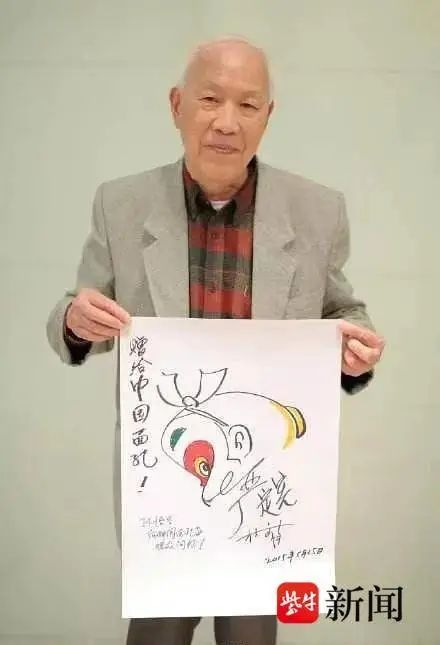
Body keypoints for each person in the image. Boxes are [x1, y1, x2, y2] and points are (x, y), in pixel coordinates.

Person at [46, 36, 385, 645]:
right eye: (210, 99)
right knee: (156, 633)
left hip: (266, 478)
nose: (227, 122)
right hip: (166, 483)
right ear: (177, 105)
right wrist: (75, 321)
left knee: (251, 635)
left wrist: (355, 349)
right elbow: (77, 311)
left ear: (267, 117)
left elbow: (342, 310)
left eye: (248, 105)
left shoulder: (317, 211)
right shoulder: (121, 205)